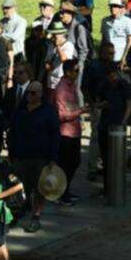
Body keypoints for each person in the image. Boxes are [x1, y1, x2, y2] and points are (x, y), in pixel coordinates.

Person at [6, 81, 58, 232]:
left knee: (39, 189)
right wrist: (11, 151)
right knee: (20, 188)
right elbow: (13, 132)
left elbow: (55, 135)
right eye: (28, 92)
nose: (29, 95)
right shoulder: (20, 110)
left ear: (41, 94)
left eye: (33, 93)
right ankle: (17, 213)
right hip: (20, 156)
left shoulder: (48, 111)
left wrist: (53, 158)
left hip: (40, 157)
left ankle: (36, 217)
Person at [52, 59, 84, 205]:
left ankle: (66, 191)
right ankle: (61, 194)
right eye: (76, 70)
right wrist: (81, 111)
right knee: (65, 165)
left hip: (74, 131)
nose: (78, 73)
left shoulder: (72, 86)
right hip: (65, 133)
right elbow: (62, 115)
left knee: (74, 163)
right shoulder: (62, 89)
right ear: (68, 72)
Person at [0, 0, 27, 68]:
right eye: (3, 8)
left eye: (7, 8)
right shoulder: (2, 21)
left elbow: (13, 37)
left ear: (14, 8)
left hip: (17, 55)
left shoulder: (21, 21)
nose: (5, 10)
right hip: (6, 55)